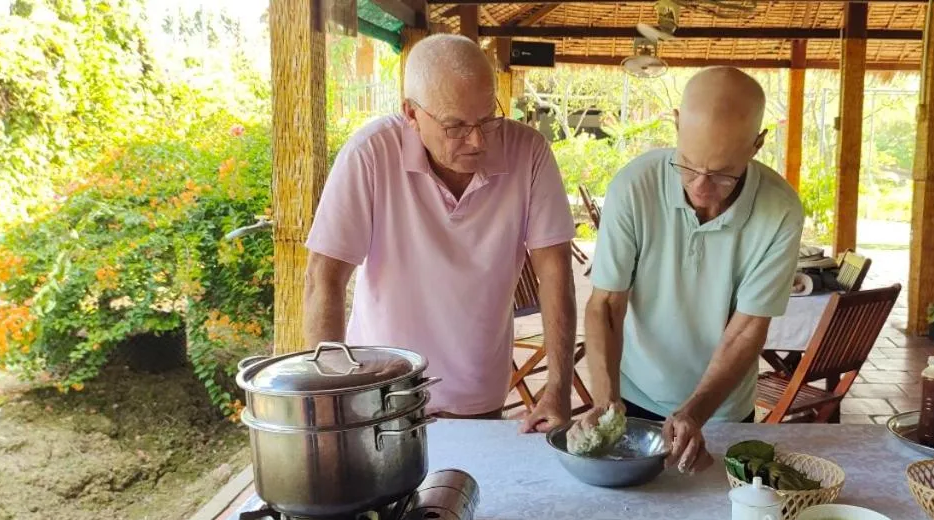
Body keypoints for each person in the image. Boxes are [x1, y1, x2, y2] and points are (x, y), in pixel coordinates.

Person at [303, 35, 578, 432]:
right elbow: (323, 279)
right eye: (455, 126)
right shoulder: (371, 154)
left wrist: (559, 386)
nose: (478, 140)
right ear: (411, 115)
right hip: (380, 395)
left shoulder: (529, 153)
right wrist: (331, 402)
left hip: (478, 395)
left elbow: (555, 274)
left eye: (487, 118)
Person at [578, 67, 804, 474]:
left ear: (757, 145)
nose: (700, 187)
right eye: (687, 164)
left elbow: (746, 329)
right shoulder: (635, 186)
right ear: (678, 124)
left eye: (721, 174)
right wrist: (604, 399)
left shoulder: (781, 210)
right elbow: (607, 304)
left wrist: (695, 412)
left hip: (722, 411)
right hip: (633, 392)